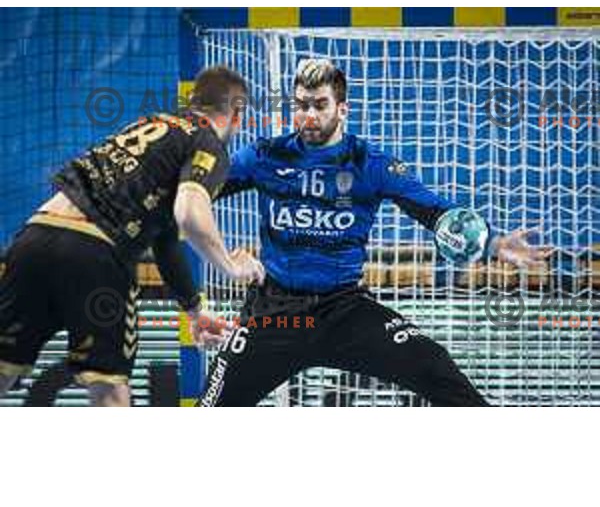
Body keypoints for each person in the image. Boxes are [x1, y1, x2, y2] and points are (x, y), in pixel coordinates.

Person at [200, 59, 551, 407]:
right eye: (301, 105)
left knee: (436, 367)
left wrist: (492, 242)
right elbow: (196, 191)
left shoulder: (370, 163)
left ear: (342, 109)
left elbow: (431, 210)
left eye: (320, 105)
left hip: (344, 312)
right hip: (275, 313)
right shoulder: (265, 156)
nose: (309, 115)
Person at [0, 66, 264, 406]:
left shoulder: (151, 123)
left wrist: (195, 311)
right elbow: (189, 213)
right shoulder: (207, 143)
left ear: (193, 100)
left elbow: (166, 239)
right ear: (237, 114)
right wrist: (232, 265)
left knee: (4, 369)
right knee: (108, 388)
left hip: (34, 239)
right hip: (95, 253)